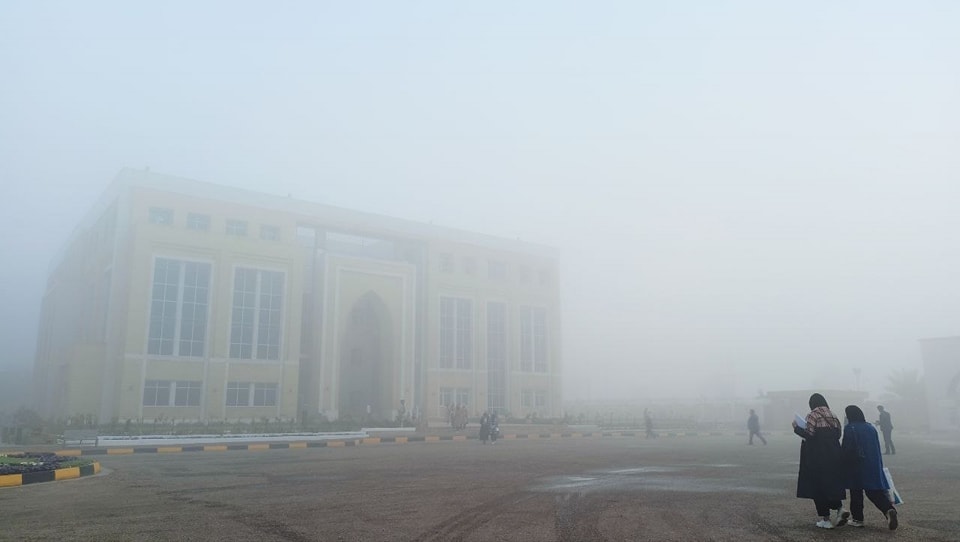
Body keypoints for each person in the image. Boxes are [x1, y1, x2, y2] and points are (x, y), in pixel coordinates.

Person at [792, 393, 849, 529]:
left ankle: (826, 520)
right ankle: (840, 509)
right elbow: (838, 434)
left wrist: (796, 428)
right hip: (834, 454)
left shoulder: (812, 415)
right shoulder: (833, 415)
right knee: (832, 483)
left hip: (817, 456)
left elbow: (809, 434)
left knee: (817, 486)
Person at [841, 405, 898, 530]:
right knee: (874, 492)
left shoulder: (850, 428)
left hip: (856, 464)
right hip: (873, 464)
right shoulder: (871, 427)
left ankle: (857, 519)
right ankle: (888, 510)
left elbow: (847, 448)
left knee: (856, 492)